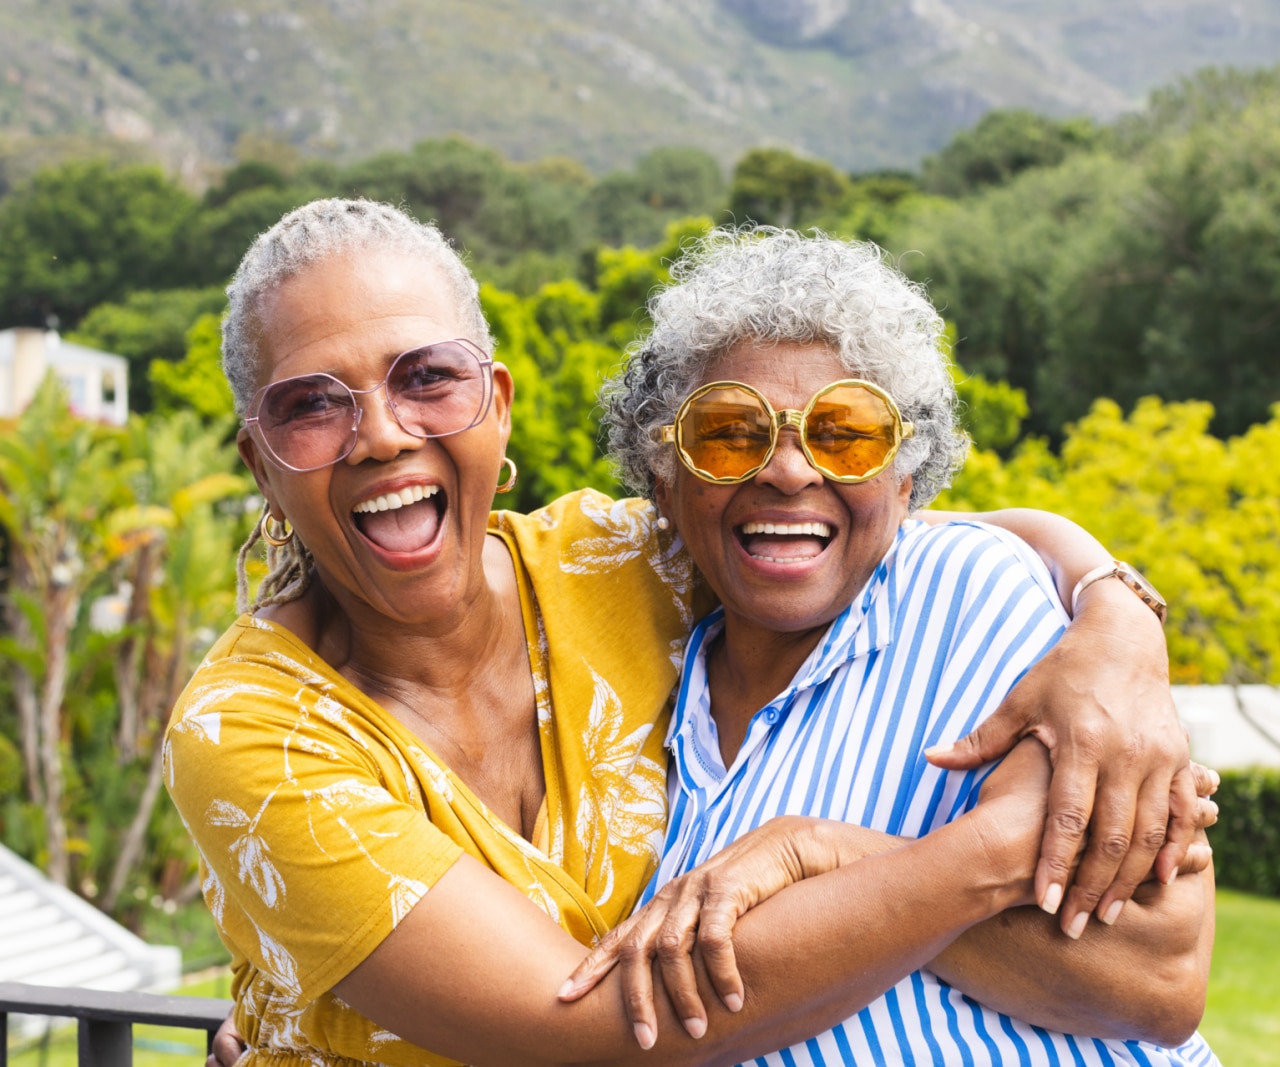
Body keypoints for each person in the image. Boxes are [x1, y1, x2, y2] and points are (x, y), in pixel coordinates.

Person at [166, 198, 1210, 1067]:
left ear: (493, 401)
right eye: (313, 404)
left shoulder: (609, 562)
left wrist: (1113, 613)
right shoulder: (251, 728)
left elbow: (854, 525)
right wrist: (969, 852)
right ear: (260, 458)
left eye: (424, 377)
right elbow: (573, 1027)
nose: (384, 433)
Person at [564, 225, 1218, 1064]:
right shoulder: (643, 699)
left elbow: (1156, 979)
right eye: (730, 431)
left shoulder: (968, 592)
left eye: (845, 433)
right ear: (663, 476)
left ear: (906, 477)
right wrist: (920, 886)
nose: (790, 471)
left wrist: (827, 856)